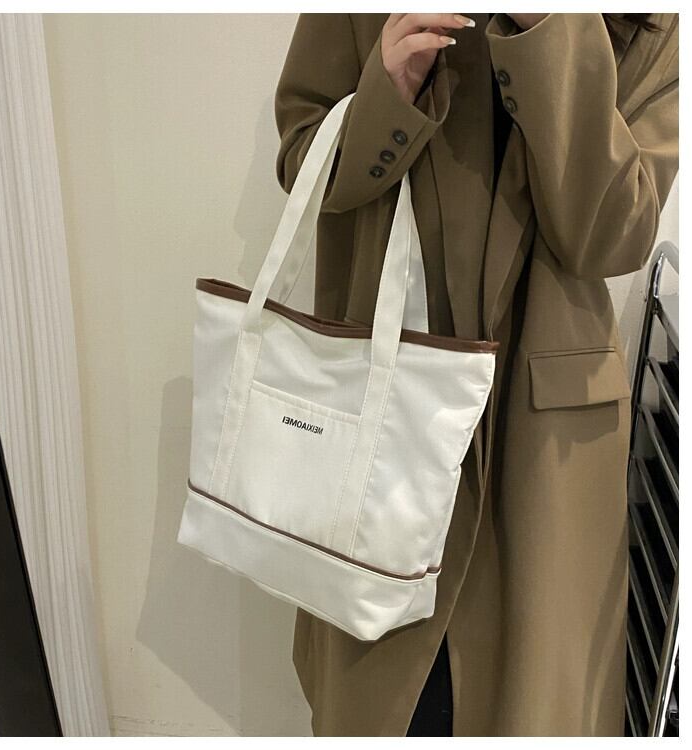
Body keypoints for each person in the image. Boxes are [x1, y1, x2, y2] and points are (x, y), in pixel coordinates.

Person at [273, 13, 678, 736]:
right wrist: (387, 97)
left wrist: (550, 34)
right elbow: (303, 162)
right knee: (388, 701)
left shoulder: (649, 24)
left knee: (527, 701)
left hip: (543, 438)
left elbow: (615, 234)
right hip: (384, 406)